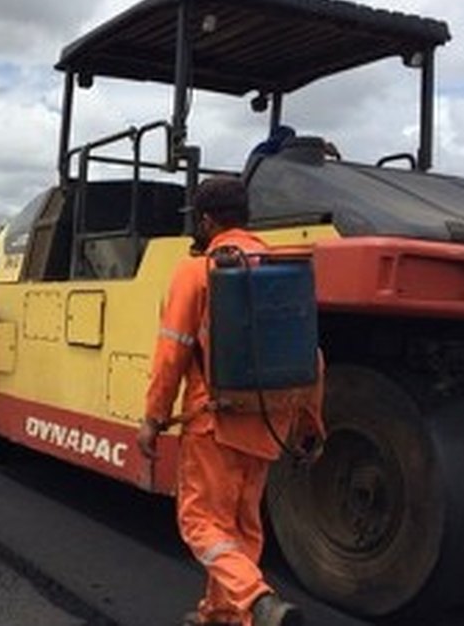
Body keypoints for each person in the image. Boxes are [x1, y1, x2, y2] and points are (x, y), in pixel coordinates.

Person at [138, 176, 325, 626]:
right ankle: (223, 614)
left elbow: (172, 350)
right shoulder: (282, 267)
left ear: (205, 220)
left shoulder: (197, 270)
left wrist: (153, 417)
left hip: (212, 423)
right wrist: (308, 424)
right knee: (242, 527)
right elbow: (311, 356)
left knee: (201, 523)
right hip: (267, 422)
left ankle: (256, 599)